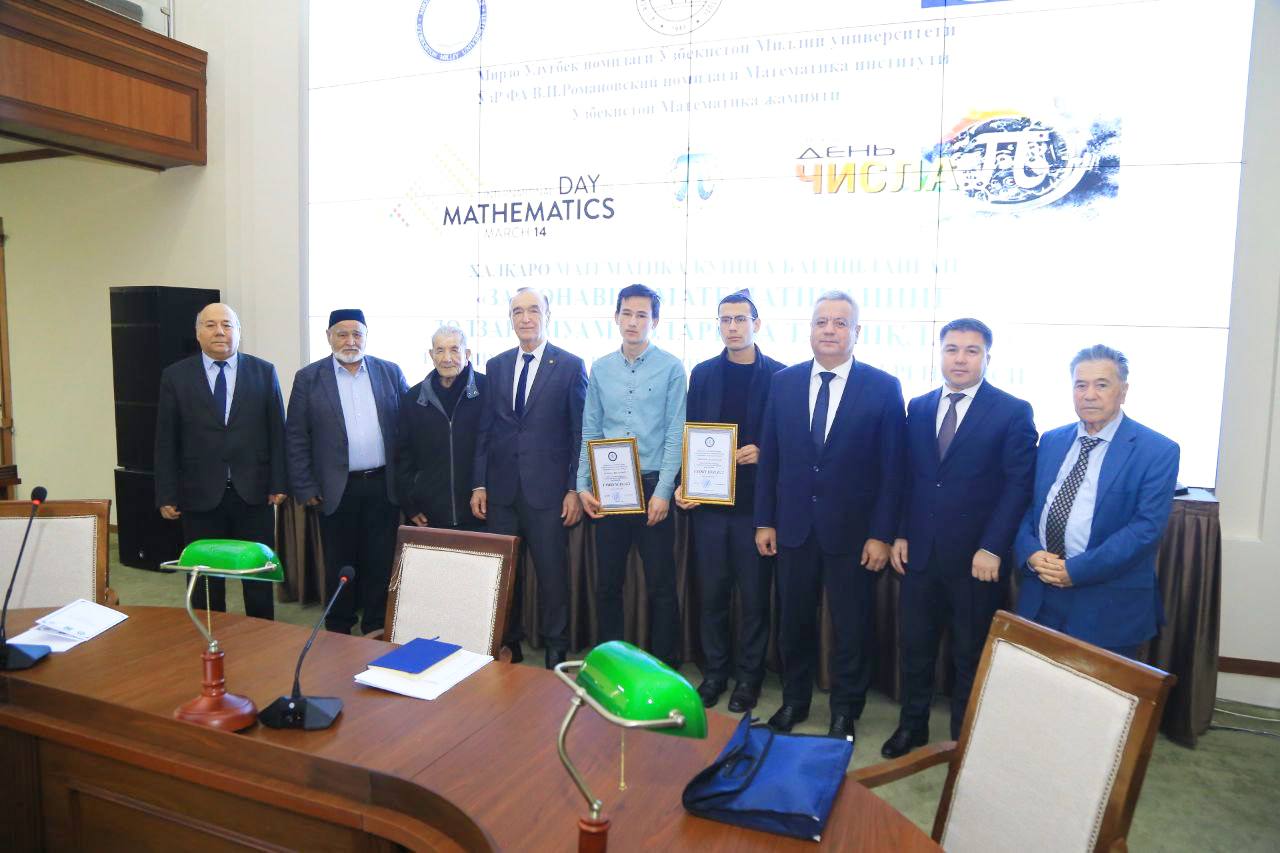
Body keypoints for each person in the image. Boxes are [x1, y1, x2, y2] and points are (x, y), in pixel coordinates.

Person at [882, 318, 1036, 758]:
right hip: (920, 555)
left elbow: (1018, 486)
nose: (960, 359)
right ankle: (912, 727)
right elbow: (909, 477)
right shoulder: (920, 406)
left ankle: (962, 740)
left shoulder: (1012, 411)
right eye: (952, 349)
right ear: (940, 353)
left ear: (988, 356)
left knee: (969, 655)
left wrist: (992, 546)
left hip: (976, 560)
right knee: (916, 648)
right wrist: (900, 533)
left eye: (971, 351)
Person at [755, 290, 905, 739]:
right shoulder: (783, 383)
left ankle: (845, 710)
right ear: (810, 329)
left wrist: (881, 534)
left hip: (853, 535)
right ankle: (794, 702)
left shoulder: (883, 387)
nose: (830, 330)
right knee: (793, 624)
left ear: (857, 332)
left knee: (851, 627)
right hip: (794, 529)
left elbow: (893, 470)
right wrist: (765, 520)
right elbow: (771, 458)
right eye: (822, 322)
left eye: (840, 323)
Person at [1014, 345, 1179, 658]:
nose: (1089, 395)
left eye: (1101, 385)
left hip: (1107, 603)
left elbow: (1145, 529)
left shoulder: (1157, 450)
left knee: (1096, 689)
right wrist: (1030, 552)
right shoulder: (1051, 440)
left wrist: (1075, 570)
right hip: (1041, 594)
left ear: (1123, 391)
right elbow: (1032, 507)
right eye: (1081, 385)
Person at [675, 289, 784, 712]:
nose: (733, 327)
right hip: (709, 508)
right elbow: (689, 431)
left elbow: (791, 441)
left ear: (757, 324)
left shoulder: (780, 375)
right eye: (725, 319)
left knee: (754, 601)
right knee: (712, 597)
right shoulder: (703, 373)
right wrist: (684, 483)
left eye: (740, 319)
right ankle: (715, 673)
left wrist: (764, 451)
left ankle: (749, 679)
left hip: (755, 509)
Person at [471, 288, 587, 669]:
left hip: (548, 492)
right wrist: (479, 483)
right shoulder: (497, 365)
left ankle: (556, 646)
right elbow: (486, 429)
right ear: (510, 318)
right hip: (502, 490)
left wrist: (573, 488)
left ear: (547, 315)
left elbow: (579, 433)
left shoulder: (570, 365)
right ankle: (509, 640)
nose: (525, 318)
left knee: (552, 573)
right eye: (517, 311)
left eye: (533, 310)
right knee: (505, 574)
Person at [154, 302, 287, 619]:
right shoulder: (176, 377)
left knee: (257, 573)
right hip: (198, 494)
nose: (219, 331)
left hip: (253, 492)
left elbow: (277, 433)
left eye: (227, 325)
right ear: (198, 333)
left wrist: (280, 483)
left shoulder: (264, 372)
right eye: (211, 325)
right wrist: (166, 493)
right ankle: (210, 634)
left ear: (239, 332)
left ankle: (261, 634)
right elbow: (166, 440)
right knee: (205, 576)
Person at [578, 284, 686, 668]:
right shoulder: (601, 367)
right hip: (610, 486)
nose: (633, 321)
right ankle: (613, 664)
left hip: (653, 484)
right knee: (608, 584)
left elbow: (675, 433)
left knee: (660, 585)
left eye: (642, 315)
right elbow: (591, 429)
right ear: (616, 316)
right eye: (627, 313)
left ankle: (663, 666)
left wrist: (664, 491)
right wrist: (582, 484)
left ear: (654, 321)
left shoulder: (672, 367)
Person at [285, 309, 408, 634]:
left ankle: (375, 625)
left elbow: (407, 428)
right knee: (339, 561)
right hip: (335, 488)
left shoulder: (389, 372)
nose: (350, 341)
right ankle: (339, 626)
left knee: (380, 560)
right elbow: (296, 436)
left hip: (383, 485)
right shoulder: (309, 378)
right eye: (342, 334)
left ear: (366, 337)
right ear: (328, 337)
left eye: (357, 334)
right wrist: (305, 486)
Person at [396, 325, 486, 531]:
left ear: (467, 354)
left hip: (480, 511)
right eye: (440, 350)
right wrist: (410, 505)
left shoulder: (487, 389)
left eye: (454, 350)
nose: (447, 358)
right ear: (431, 355)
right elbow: (403, 457)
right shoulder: (414, 398)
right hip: (429, 514)